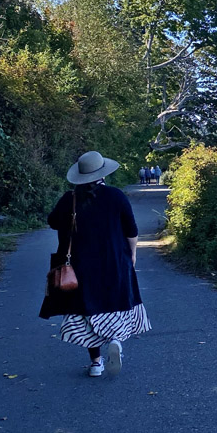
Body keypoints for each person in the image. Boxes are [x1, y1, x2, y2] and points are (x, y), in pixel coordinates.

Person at [42, 150, 150, 377]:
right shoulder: (116, 196)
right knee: (115, 305)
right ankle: (116, 341)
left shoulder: (69, 199)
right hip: (114, 263)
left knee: (86, 312)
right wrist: (132, 255)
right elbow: (131, 231)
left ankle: (96, 364)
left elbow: (52, 222)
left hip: (80, 269)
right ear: (103, 174)